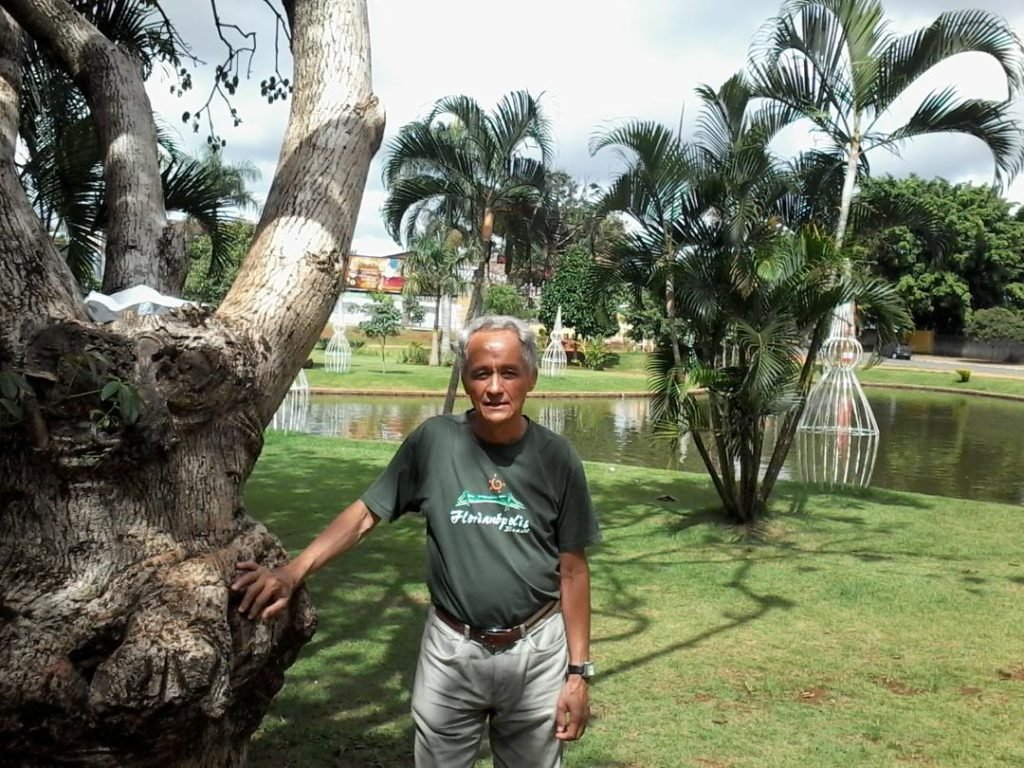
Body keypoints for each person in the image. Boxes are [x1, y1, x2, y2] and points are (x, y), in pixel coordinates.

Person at [232, 314, 602, 768]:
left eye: (508, 373)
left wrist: (578, 673)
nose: (494, 387)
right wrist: (292, 573)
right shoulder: (434, 442)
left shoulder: (557, 457)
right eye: (481, 373)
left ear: (531, 378)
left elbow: (573, 571)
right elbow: (365, 514)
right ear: (464, 379)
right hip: (452, 649)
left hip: (537, 650)